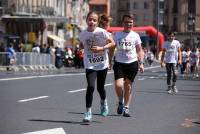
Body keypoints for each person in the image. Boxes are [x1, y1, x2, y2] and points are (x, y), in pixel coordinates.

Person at [79, 11, 115, 122]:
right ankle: (88, 112)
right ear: (86, 20)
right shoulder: (83, 34)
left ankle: (103, 102)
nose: (92, 22)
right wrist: (81, 48)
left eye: (94, 20)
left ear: (97, 22)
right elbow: (81, 43)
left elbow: (112, 43)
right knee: (90, 87)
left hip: (102, 64)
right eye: (90, 19)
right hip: (90, 64)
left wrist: (101, 48)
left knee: (100, 88)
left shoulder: (103, 32)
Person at [110, 14, 144, 117]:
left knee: (128, 86)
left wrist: (141, 63)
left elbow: (139, 50)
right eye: (126, 22)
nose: (129, 24)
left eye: (131, 23)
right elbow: (112, 48)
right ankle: (120, 101)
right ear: (122, 23)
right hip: (119, 63)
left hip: (132, 63)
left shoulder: (135, 35)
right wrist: (109, 61)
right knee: (118, 85)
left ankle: (126, 107)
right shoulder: (117, 35)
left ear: (133, 23)